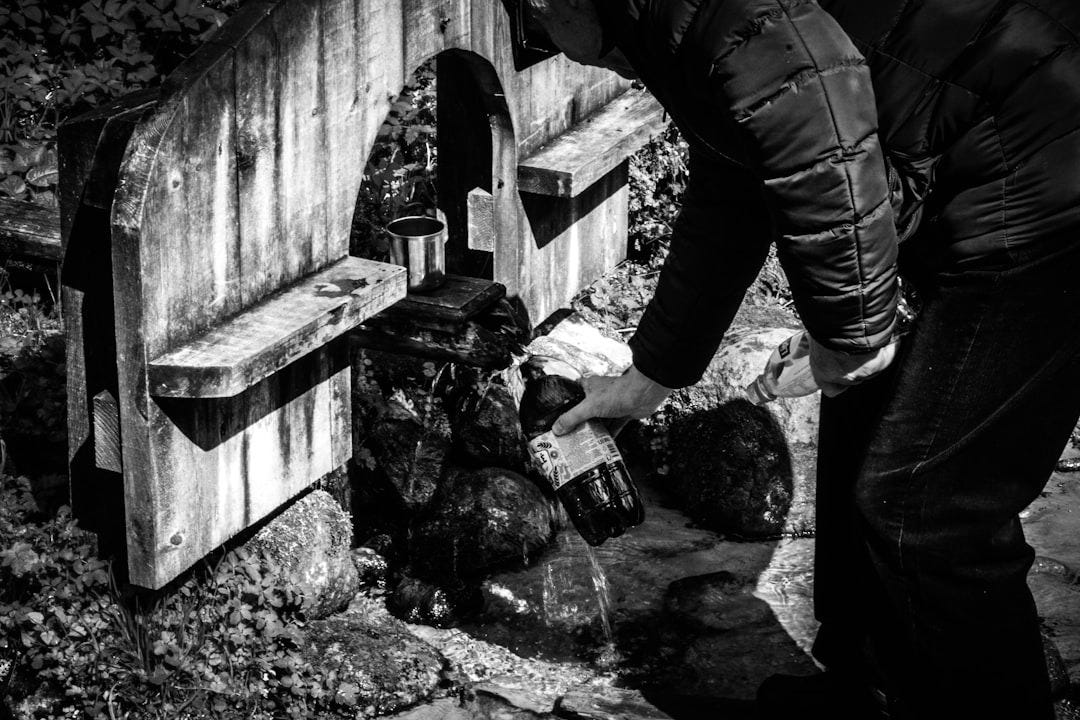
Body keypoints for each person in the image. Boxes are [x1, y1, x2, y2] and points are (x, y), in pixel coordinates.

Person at [530, 0, 1080, 718]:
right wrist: (651, 375)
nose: (547, 38)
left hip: (1050, 183)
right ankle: (868, 691)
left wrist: (847, 339)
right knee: (869, 433)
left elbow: (819, 113)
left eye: (536, 19)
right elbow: (737, 173)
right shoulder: (660, 22)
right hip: (985, 157)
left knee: (927, 506)